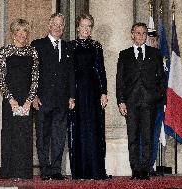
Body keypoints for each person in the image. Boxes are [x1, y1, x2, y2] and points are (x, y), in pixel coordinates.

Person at [116, 23, 165, 180]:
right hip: (130, 103)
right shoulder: (124, 54)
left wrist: (159, 98)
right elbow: (120, 81)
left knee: (147, 137)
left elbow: (161, 79)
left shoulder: (155, 53)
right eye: (138, 33)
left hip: (149, 103)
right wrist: (121, 101)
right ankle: (135, 169)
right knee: (133, 137)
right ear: (132, 34)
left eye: (144, 33)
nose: (141, 36)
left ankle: (145, 169)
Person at [31, 13, 75, 180]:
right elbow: (32, 72)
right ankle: (45, 170)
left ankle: (56, 170)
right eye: (55, 24)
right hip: (42, 99)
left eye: (61, 25)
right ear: (49, 26)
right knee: (42, 136)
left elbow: (71, 73)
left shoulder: (68, 47)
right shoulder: (37, 45)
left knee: (59, 136)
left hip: (62, 100)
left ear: (63, 28)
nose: (58, 27)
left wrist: (71, 96)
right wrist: (33, 95)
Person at [68, 13, 109, 180]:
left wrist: (104, 92)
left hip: (93, 91)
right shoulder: (70, 45)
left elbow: (101, 70)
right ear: (78, 27)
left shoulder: (96, 46)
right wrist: (70, 95)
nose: (86, 29)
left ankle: (96, 170)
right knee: (78, 129)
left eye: (89, 26)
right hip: (76, 91)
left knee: (94, 129)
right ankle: (79, 172)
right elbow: (68, 71)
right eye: (83, 26)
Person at [0, 18, 39, 180]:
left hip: (26, 99)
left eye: (25, 31)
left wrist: (29, 100)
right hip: (10, 100)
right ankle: (9, 172)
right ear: (13, 33)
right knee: (11, 133)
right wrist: (10, 99)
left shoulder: (32, 52)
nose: (22, 34)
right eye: (19, 31)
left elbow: (35, 78)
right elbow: (1, 78)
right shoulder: (5, 51)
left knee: (25, 134)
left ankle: (23, 173)